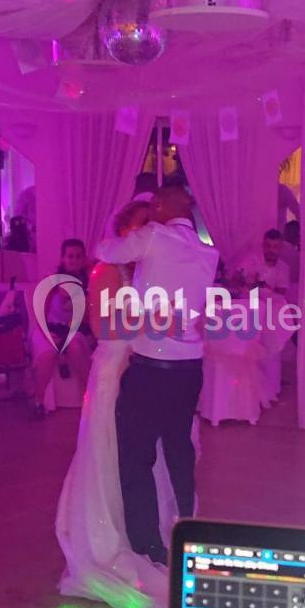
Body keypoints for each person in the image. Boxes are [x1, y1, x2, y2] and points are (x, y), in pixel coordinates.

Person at [54, 200, 180, 608]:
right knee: (108, 450)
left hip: (139, 367)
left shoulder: (143, 272)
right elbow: (100, 327)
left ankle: (142, 530)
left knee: (140, 454)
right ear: (127, 230)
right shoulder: (104, 271)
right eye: (144, 229)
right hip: (114, 368)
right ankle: (105, 537)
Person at [97, 184, 219, 565]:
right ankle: (187, 523)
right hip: (189, 369)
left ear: (162, 206)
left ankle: (148, 544)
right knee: (180, 450)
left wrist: (134, 233)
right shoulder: (207, 252)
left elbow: (105, 251)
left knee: (137, 458)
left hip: (151, 369)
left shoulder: (153, 237)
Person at [31, 238, 94, 417]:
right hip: (48, 328)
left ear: (83, 259)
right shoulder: (52, 283)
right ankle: (39, 401)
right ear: (63, 258)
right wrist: (47, 333)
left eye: (78, 257)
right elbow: (40, 313)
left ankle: (89, 400)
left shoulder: (91, 283)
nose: (73, 260)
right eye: (70, 256)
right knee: (48, 353)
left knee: (74, 345)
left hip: (75, 331)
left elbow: (90, 319)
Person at [237, 229, 290, 296]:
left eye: (275, 247)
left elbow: (280, 294)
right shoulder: (252, 259)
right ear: (263, 245)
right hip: (246, 301)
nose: (271, 250)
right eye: (268, 246)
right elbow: (235, 278)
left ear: (281, 248)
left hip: (270, 304)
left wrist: (265, 287)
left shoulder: (283, 268)